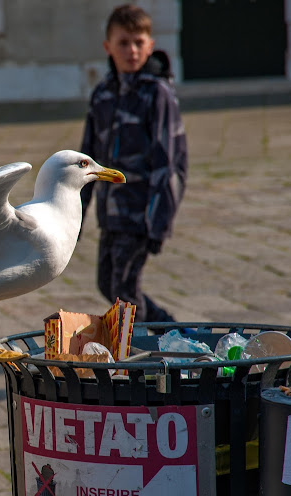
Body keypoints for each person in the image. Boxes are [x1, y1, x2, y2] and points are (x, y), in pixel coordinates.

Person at [79, 4, 188, 323]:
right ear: (108, 47)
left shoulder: (157, 95)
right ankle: (171, 330)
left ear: (150, 45)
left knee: (124, 290)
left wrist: (158, 222)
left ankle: (135, 359)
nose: (132, 50)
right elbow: (85, 161)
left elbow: (168, 163)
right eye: (123, 42)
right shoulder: (102, 95)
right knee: (107, 283)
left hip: (140, 213)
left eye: (139, 42)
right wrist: (76, 215)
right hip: (110, 214)